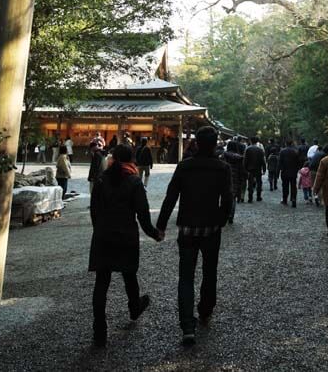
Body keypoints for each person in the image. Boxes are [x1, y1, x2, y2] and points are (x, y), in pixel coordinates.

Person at [156, 126, 232, 347]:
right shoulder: (222, 168)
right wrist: (221, 220)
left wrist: (161, 225)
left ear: (196, 143)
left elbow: (171, 197)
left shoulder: (185, 166)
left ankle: (187, 326)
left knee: (186, 276)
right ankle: (206, 309)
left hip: (188, 227)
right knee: (210, 271)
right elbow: (227, 198)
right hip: (210, 228)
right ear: (216, 143)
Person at [89, 145, 162, 347]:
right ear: (131, 160)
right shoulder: (134, 181)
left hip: (103, 235)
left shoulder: (101, 180)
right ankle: (134, 307)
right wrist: (154, 234)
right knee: (129, 275)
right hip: (126, 235)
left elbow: (94, 211)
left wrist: (100, 229)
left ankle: (99, 330)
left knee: (101, 282)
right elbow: (143, 214)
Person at [277, 140, 301, 207]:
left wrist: (278, 172)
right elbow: (298, 162)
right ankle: (293, 199)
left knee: (285, 186)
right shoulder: (295, 151)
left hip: (285, 172)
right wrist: (297, 170)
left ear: (285, 143)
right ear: (292, 144)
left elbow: (279, 163)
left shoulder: (282, 151)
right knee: (293, 186)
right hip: (293, 172)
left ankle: (285, 199)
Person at [224, 140, 246, 208]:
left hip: (225, 178)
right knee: (233, 197)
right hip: (236, 178)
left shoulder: (223, 156)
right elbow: (242, 170)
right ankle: (231, 214)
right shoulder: (239, 158)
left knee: (225, 195)